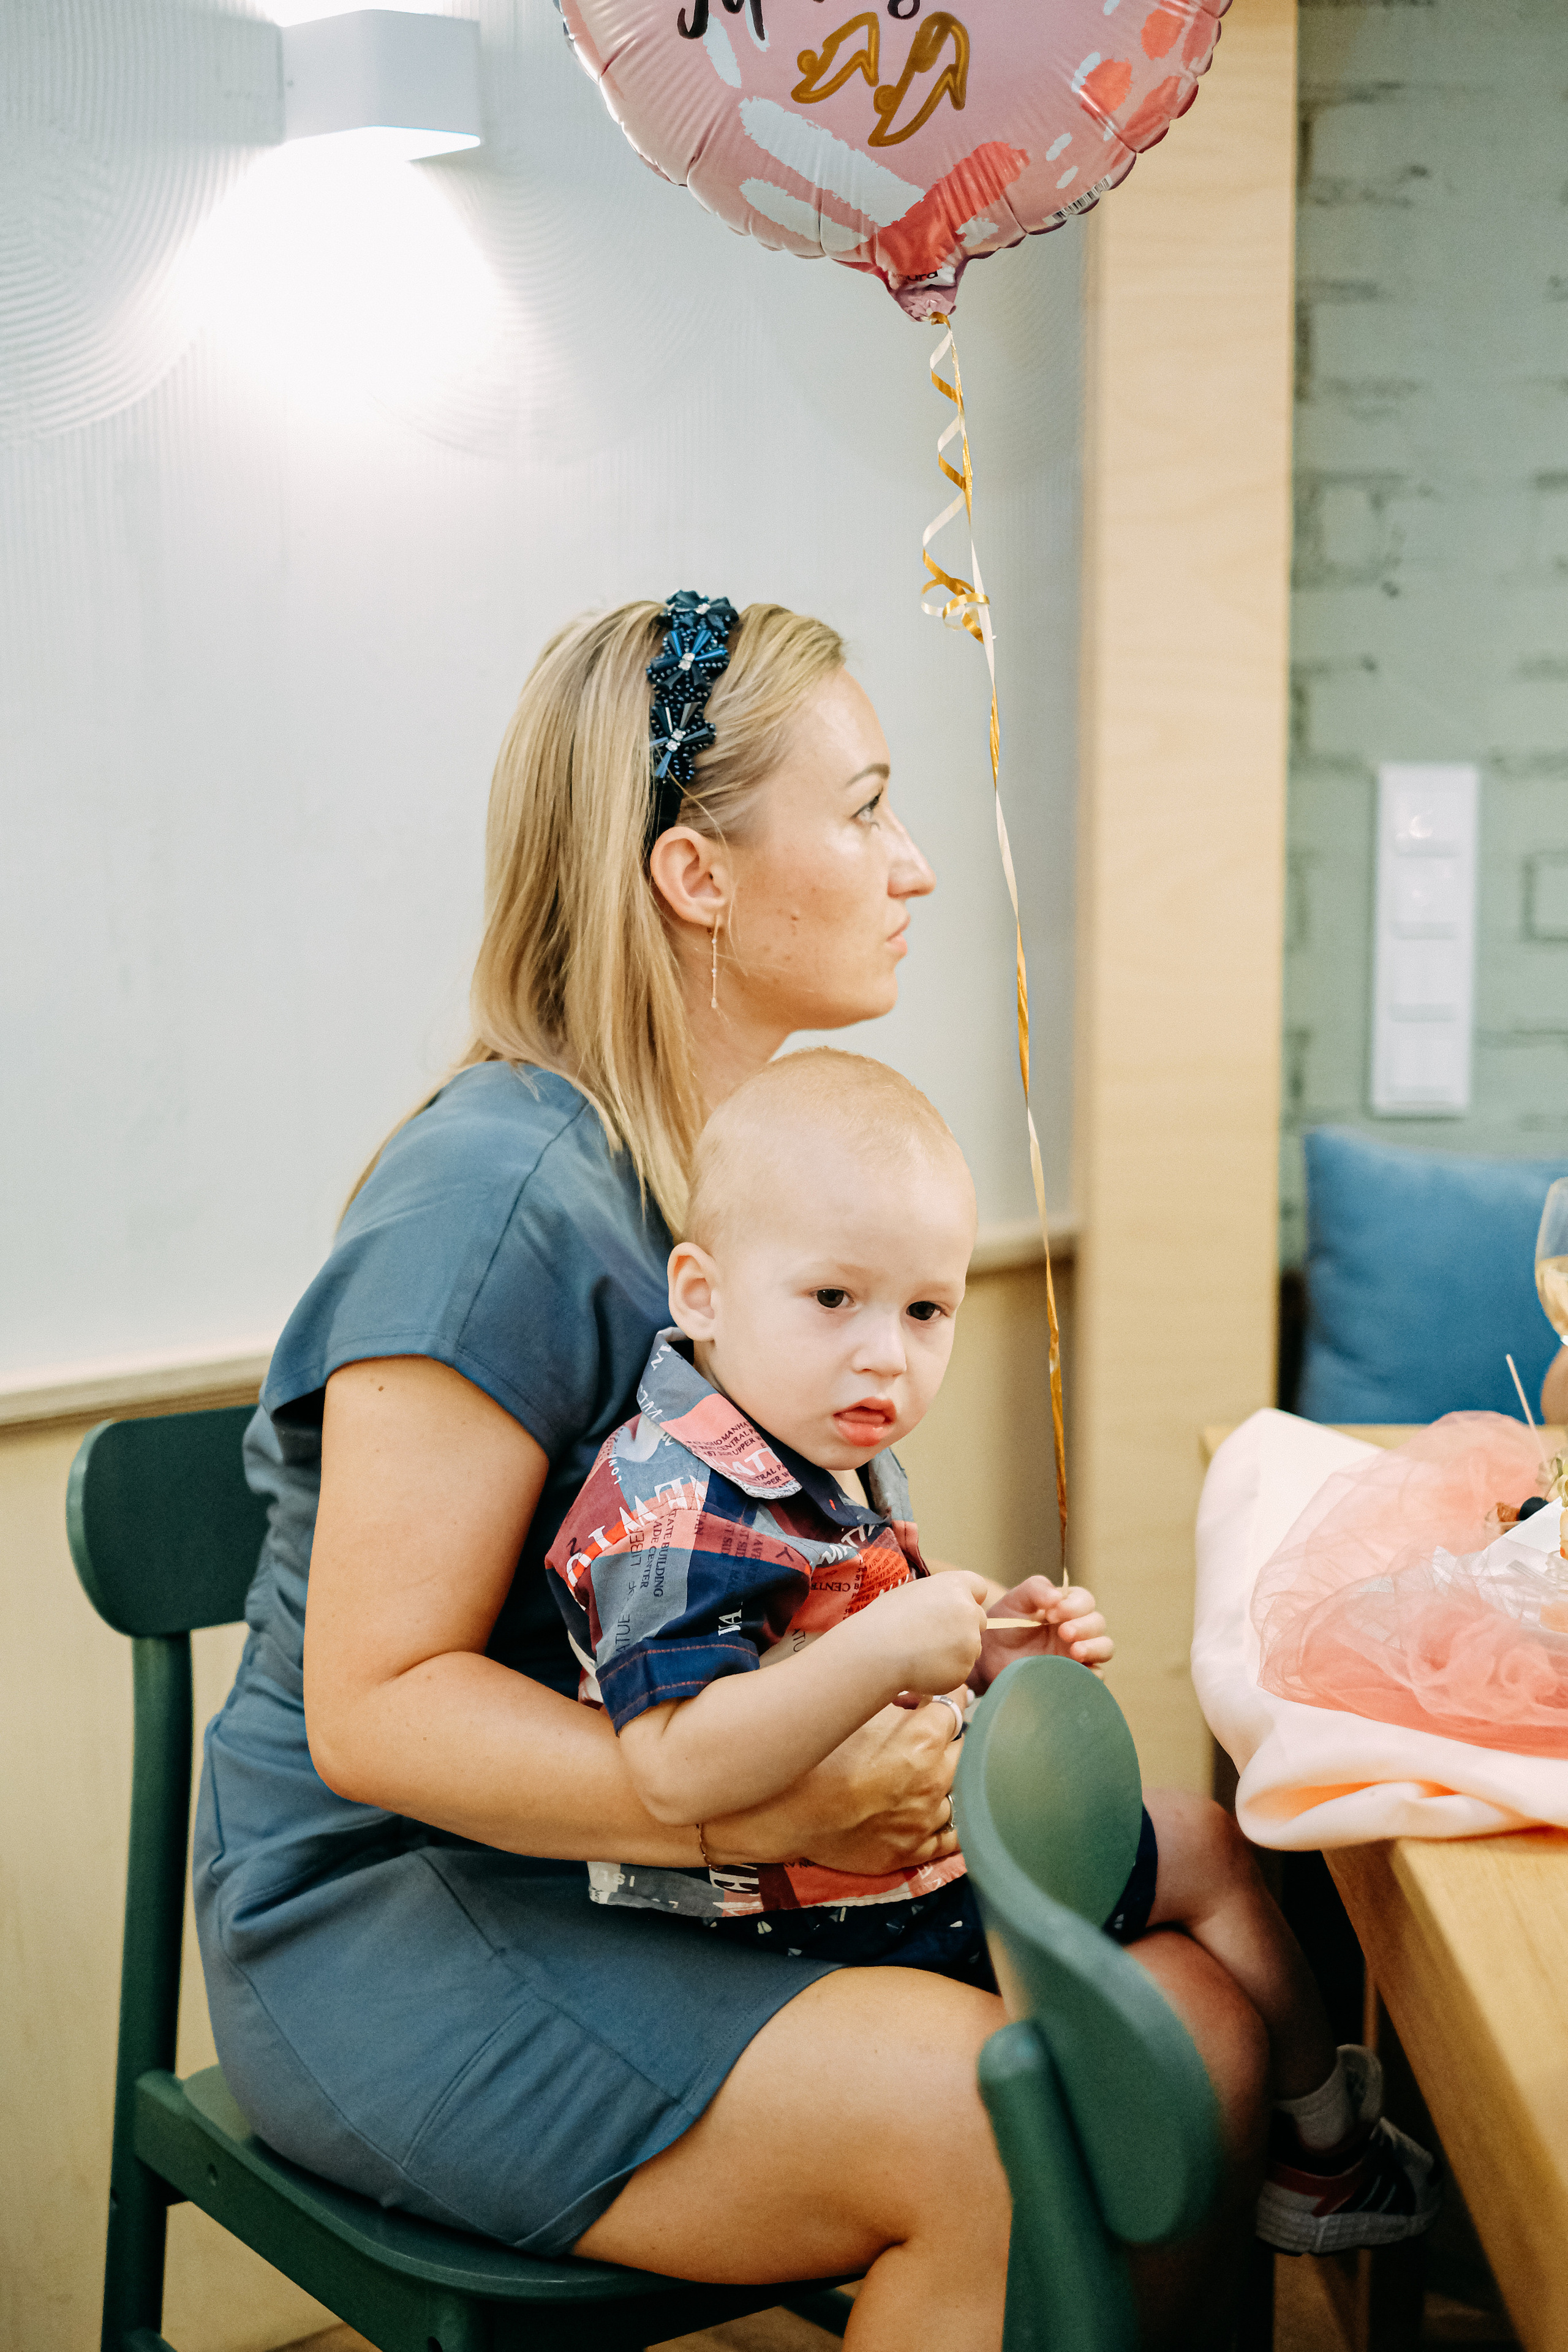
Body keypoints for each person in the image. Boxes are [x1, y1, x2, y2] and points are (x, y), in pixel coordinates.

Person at [194, 590, 1270, 2351]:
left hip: (664, 1863)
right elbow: (373, 1716)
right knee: (989, 2120)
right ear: (697, 877)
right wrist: (759, 1801)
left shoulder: (741, 1177)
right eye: (862, 809)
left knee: (1202, 2029)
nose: (913, 864)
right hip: (398, 1908)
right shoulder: (495, 1197)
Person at [549, 1045, 1441, 2258]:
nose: (884, 1355)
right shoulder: (675, 1511)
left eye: (924, 1311)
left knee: (1186, 1874)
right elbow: (671, 1766)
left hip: (855, 1864)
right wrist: (887, 1653)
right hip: (785, 1913)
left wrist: (986, 1650)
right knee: (1204, 1847)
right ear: (699, 1294)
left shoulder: (806, 1449)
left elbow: (838, 1641)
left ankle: (1239, 2155)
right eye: (832, 1301)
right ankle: (1323, 2158)